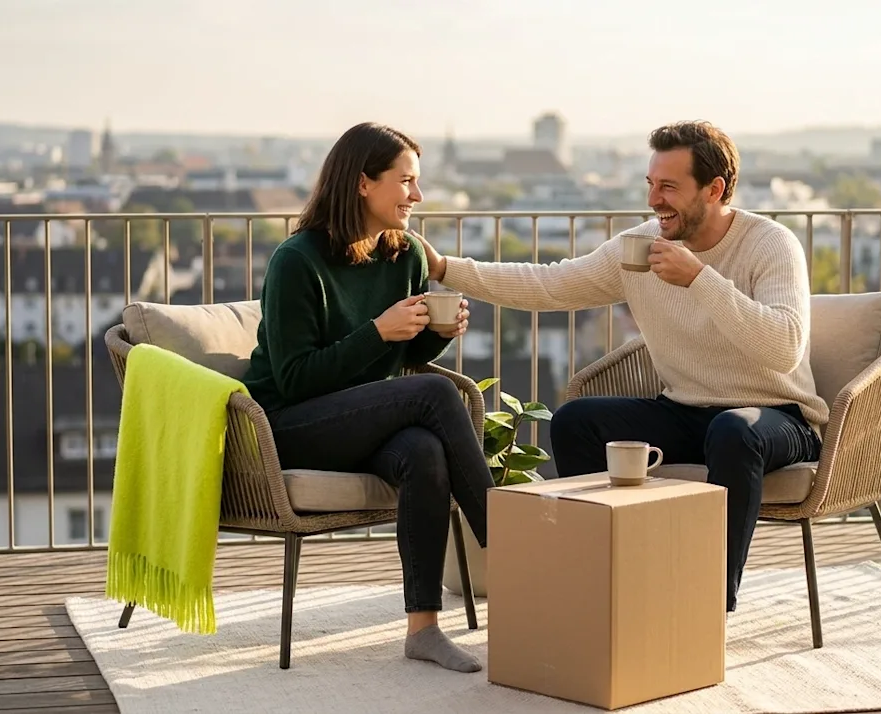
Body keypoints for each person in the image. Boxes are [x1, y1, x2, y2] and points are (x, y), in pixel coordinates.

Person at [416, 120, 829, 613]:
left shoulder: (771, 244)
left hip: (777, 416)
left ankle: (710, 604)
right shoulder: (640, 247)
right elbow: (551, 284)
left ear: (715, 189)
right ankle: (600, 581)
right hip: (687, 410)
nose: (655, 200)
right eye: (651, 185)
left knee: (733, 431)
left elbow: (784, 346)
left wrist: (700, 278)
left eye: (669, 187)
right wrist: (445, 269)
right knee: (576, 422)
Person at [240, 122, 491, 673]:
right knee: (429, 395)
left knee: (424, 451)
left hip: (361, 420)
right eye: (405, 182)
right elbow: (295, 378)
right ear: (361, 183)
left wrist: (433, 336)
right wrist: (377, 331)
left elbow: (402, 362)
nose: (416, 196)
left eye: (417, 183)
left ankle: (422, 629)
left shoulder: (407, 259)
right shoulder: (297, 262)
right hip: (289, 425)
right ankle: (514, 547)